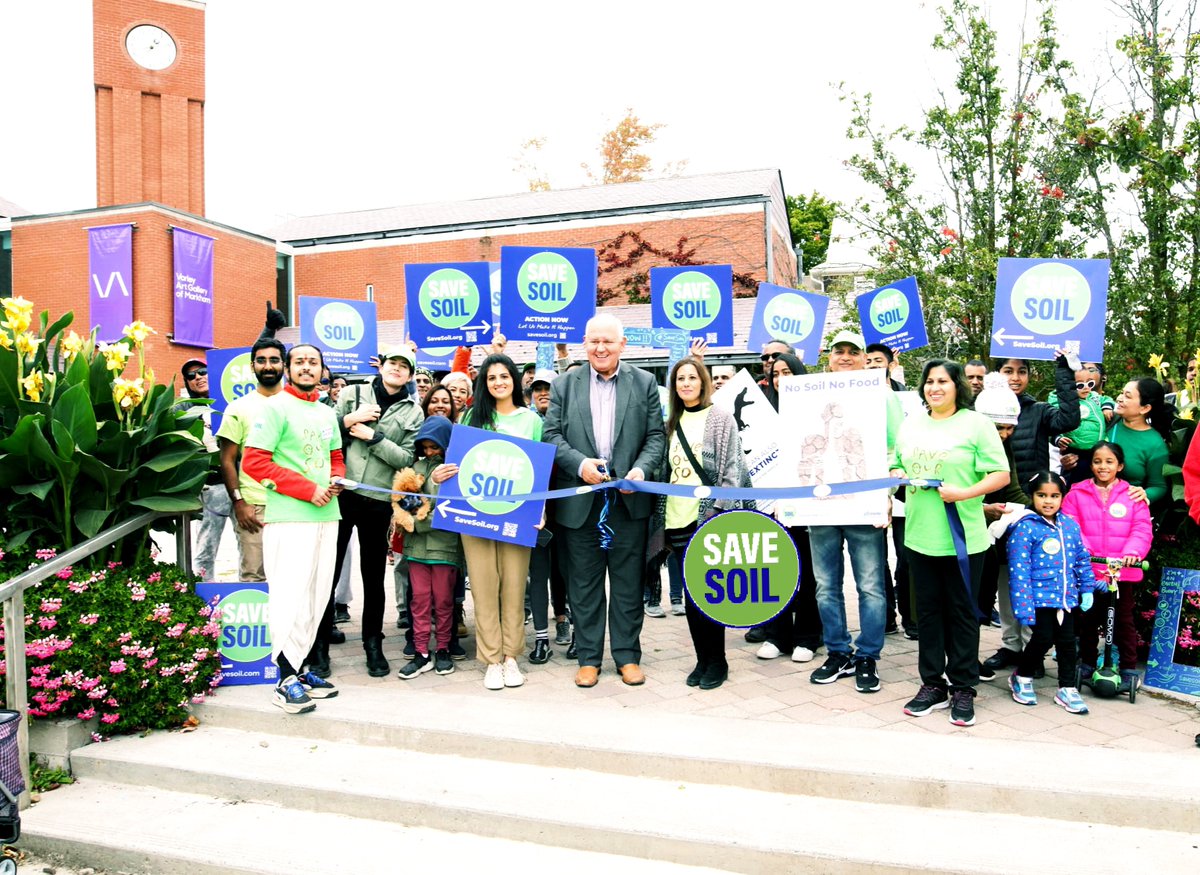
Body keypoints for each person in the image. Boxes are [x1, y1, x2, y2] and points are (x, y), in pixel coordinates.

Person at [543, 313, 665, 689]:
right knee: (583, 583)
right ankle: (589, 658)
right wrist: (579, 465)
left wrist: (641, 472)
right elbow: (551, 435)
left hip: (629, 501)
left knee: (628, 583)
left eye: (608, 341)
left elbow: (656, 437)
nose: (600, 348)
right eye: (593, 341)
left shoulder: (644, 383)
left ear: (622, 344)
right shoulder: (565, 385)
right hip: (581, 503)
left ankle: (627, 657)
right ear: (584, 343)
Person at [893, 359, 1010, 728]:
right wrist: (898, 473)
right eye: (929, 381)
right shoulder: (911, 423)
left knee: (962, 614)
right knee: (926, 614)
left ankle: (963, 686)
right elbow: (896, 464)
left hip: (965, 541)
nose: (935, 388)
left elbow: (1000, 473)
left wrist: (964, 493)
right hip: (919, 537)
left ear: (958, 385)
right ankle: (932, 684)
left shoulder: (977, 425)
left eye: (942, 381)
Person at [242, 343, 344, 713]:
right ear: (287, 368)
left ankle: (299, 671)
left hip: (327, 515)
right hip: (289, 517)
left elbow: (335, 456)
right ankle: (284, 680)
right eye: (299, 362)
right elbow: (254, 462)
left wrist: (336, 479)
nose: (306, 368)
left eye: (312, 362)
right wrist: (308, 489)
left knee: (316, 598)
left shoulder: (326, 412)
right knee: (289, 596)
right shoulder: (273, 408)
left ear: (321, 370)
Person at [806, 330, 901, 695]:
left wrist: (885, 495)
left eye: (853, 352)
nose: (845, 357)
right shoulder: (811, 393)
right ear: (829, 357)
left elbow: (897, 448)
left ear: (865, 358)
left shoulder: (883, 394)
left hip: (864, 505)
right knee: (826, 586)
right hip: (822, 507)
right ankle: (838, 651)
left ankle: (868, 656)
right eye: (838, 351)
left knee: (871, 587)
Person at [321, 344, 423, 678]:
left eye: (404, 366)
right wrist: (349, 419)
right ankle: (319, 645)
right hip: (341, 493)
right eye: (393, 362)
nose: (397, 368)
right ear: (382, 366)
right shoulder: (352, 393)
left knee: (373, 575)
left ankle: (372, 643)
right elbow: (325, 434)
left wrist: (372, 436)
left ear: (409, 375)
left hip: (378, 501)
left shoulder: (412, 411)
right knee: (330, 571)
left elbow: (407, 459)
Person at [653, 357, 749, 689]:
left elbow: (732, 470)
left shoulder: (721, 419)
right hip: (675, 518)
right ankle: (701, 659)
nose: (686, 384)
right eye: (680, 379)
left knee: (709, 595)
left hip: (707, 518)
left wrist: (718, 512)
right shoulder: (670, 422)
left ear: (703, 381)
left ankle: (718, 661)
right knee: (691, 598)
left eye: (692, 377)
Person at [459, 353, 545, 690]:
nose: (498, 382)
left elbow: (541, 471)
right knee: (482, 586)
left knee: (513, 585)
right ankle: (491, 659)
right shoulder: (471, 417)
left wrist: (541, 510)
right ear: (484, 383)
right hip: (477, 514)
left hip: (517, 513)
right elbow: (458, 464)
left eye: (504, 376)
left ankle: (511, 656)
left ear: (515, 379)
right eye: (491, 377)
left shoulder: (531, 420)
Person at [749, 353, 823, 663]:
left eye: (787, 372)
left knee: (806, 571)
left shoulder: (815, 411)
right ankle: (776, 635)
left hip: (807, 505)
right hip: (769, 506)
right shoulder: (760, 414)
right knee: (775, 569)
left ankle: (807, 637)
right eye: (776, 373)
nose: (781, 379)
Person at [1062, 441, 1154, 692]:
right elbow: (1071, 526)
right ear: (1090, 464)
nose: (1103, 466)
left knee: (1123, 620)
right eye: (1097, 461)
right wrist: (1085, 551)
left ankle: (1128, 668)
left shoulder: (1133, 495)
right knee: (1088, 618)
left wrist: (1132, 552)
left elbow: (1141, 528)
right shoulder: (1076, 494)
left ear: (1120, 466)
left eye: (1109, 461)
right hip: (1090, 569)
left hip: (1120, 571)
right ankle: (1088, 662)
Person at [1005, 471, 1097, 714]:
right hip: (1039, 599)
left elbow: (1081, 560)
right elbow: (1019, 571)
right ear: (1032, 496)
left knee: (1068, 643)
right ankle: (1022, 677)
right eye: (1042, 495)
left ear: (1062, 497)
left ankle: (1067, 688)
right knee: (1042, 639)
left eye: (1054, 496)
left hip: (1065, 599)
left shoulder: (1069, 526)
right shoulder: (1025, 528)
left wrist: (1086, 588)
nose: (1048, 501)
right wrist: (1024, 607)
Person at [974, 374, 1033, 676]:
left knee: (1000, 590)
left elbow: (1012, 487)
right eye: (1001, 428)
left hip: (995, 531)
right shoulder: (967, 442)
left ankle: (1023, 650)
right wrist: (982, 509)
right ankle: (966, 661)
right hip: (965, 531)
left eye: (1011, 428)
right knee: (972, 600)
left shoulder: (1002, 444)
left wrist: (1036, 512)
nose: (1007, 434)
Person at [215, 337, 285, 582]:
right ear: (252, 366)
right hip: (255, 507)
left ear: (284, 365)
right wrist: (239, 503)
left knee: (291, 579)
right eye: (261, 360)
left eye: (274, 360)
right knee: (254, 577)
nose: (268, 366)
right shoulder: (238, 408)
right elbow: (227, 460)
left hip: (295, 505)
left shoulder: (297, 405)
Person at [398, 415, 462, 679]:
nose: (429, 452)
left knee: (445, 601)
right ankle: (422, 651)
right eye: (425, 447)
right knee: (419, 601)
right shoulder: (415, 468)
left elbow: (452, 510)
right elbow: (403, 503)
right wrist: (415, 515)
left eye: (434, 446)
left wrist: (419, 520)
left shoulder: (455, 469)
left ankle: (444, 648)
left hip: (445, 548)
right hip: (416, 550)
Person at [994, 354, 1080, 489]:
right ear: (997, 374)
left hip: (1031, 498)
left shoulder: (1039, 411)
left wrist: (1064, 371)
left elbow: (1069, 421)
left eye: (1022, 372)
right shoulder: (981, 410)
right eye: (1008, 371)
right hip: (990, 497)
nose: (1015, 378)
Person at [182, 357, 231, 580]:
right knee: (206, 548)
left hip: (242, 484)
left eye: (202, 371)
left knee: (252, 545)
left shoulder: (231, 399)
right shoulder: (183, 408)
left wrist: (270, 328)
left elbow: (247, 362)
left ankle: (254, 592)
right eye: (191, 376)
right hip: (212, 488)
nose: (198, 377)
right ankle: (204, 596)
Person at [1102, 377, 1171, 507]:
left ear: (1145, 408)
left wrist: (1144, 494)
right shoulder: (1108, 421)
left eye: (1127, 396)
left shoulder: (1155, 444)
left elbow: (1159, 486)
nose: (1119, 398)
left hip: (1123, 509)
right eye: (1122, 393)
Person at [1053, 369, 1108, 484]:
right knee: (1076, 484)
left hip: (1096, 449)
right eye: (1080, 385)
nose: (1086, 387)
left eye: (1090, 383)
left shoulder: (1093, 397)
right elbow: (1052, 424)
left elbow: (1106, 399)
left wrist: (1107, 407)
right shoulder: (1060, 401)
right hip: (1076, 452)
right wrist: (1058, 439)